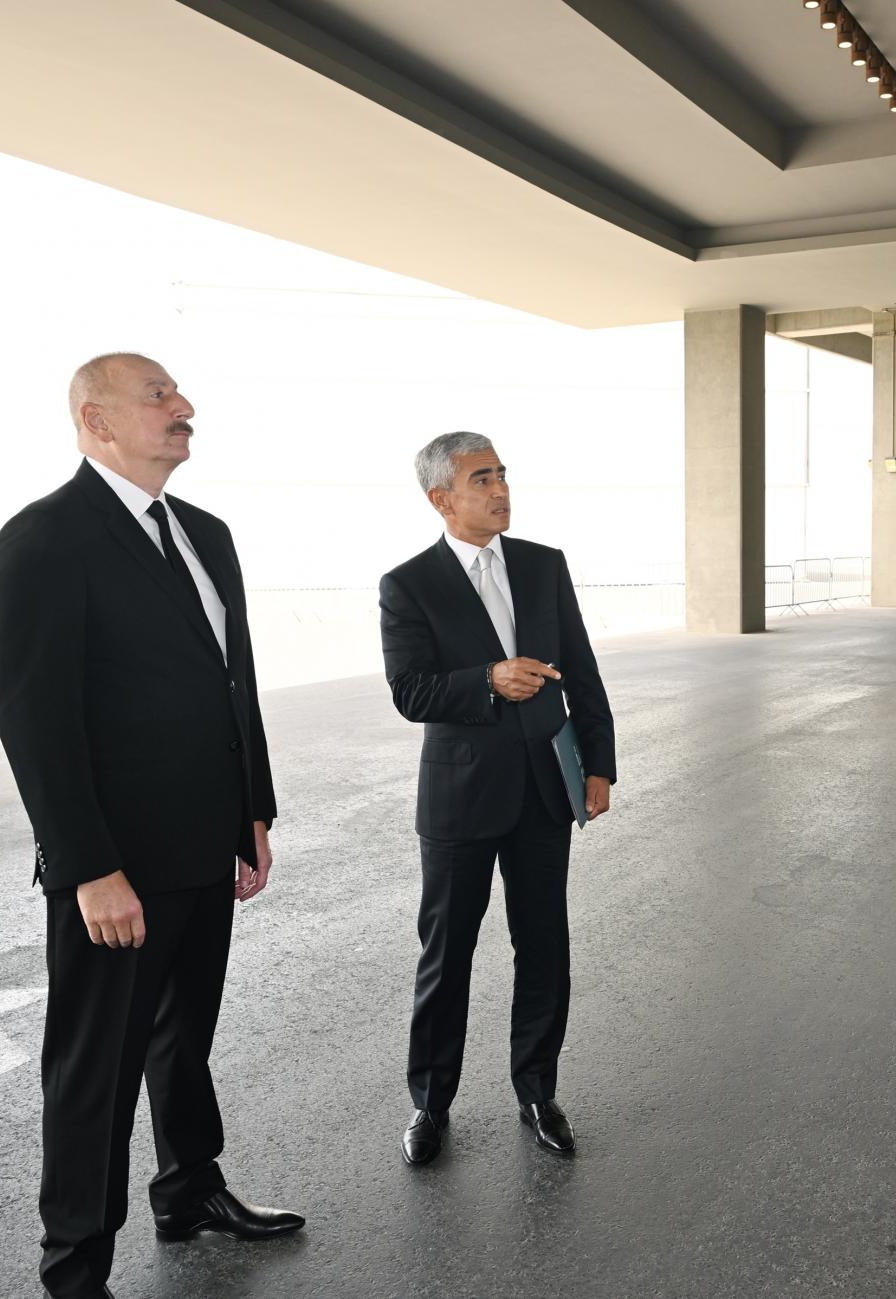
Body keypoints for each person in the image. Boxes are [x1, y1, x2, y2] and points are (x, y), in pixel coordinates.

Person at [0, 353, 302, 1298]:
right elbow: (35, 718)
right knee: (96, 1068)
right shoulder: (45, 538)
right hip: (117, 866)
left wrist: (253, 806)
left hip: (208, 844)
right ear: (98, 420)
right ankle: (74, 1263)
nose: (185, 407)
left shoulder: (205, 532)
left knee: (184, 1041)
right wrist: (88, 867)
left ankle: (189, 1191)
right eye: (160, 397)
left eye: (179, 394)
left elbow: (228, 680)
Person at [380, 431, 616, 1165]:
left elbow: (579, 665)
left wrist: (599, 764)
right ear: (442, 498)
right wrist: (487, 678)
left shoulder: (545, 566)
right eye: (483, 478)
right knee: (446, 954)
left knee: (544, 945)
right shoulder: (407, 584)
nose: (501, 488)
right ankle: (430, 1105)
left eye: (503, 474)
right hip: (459, 798)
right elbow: (410, 691)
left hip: (547, 788)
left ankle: (539, 1093)